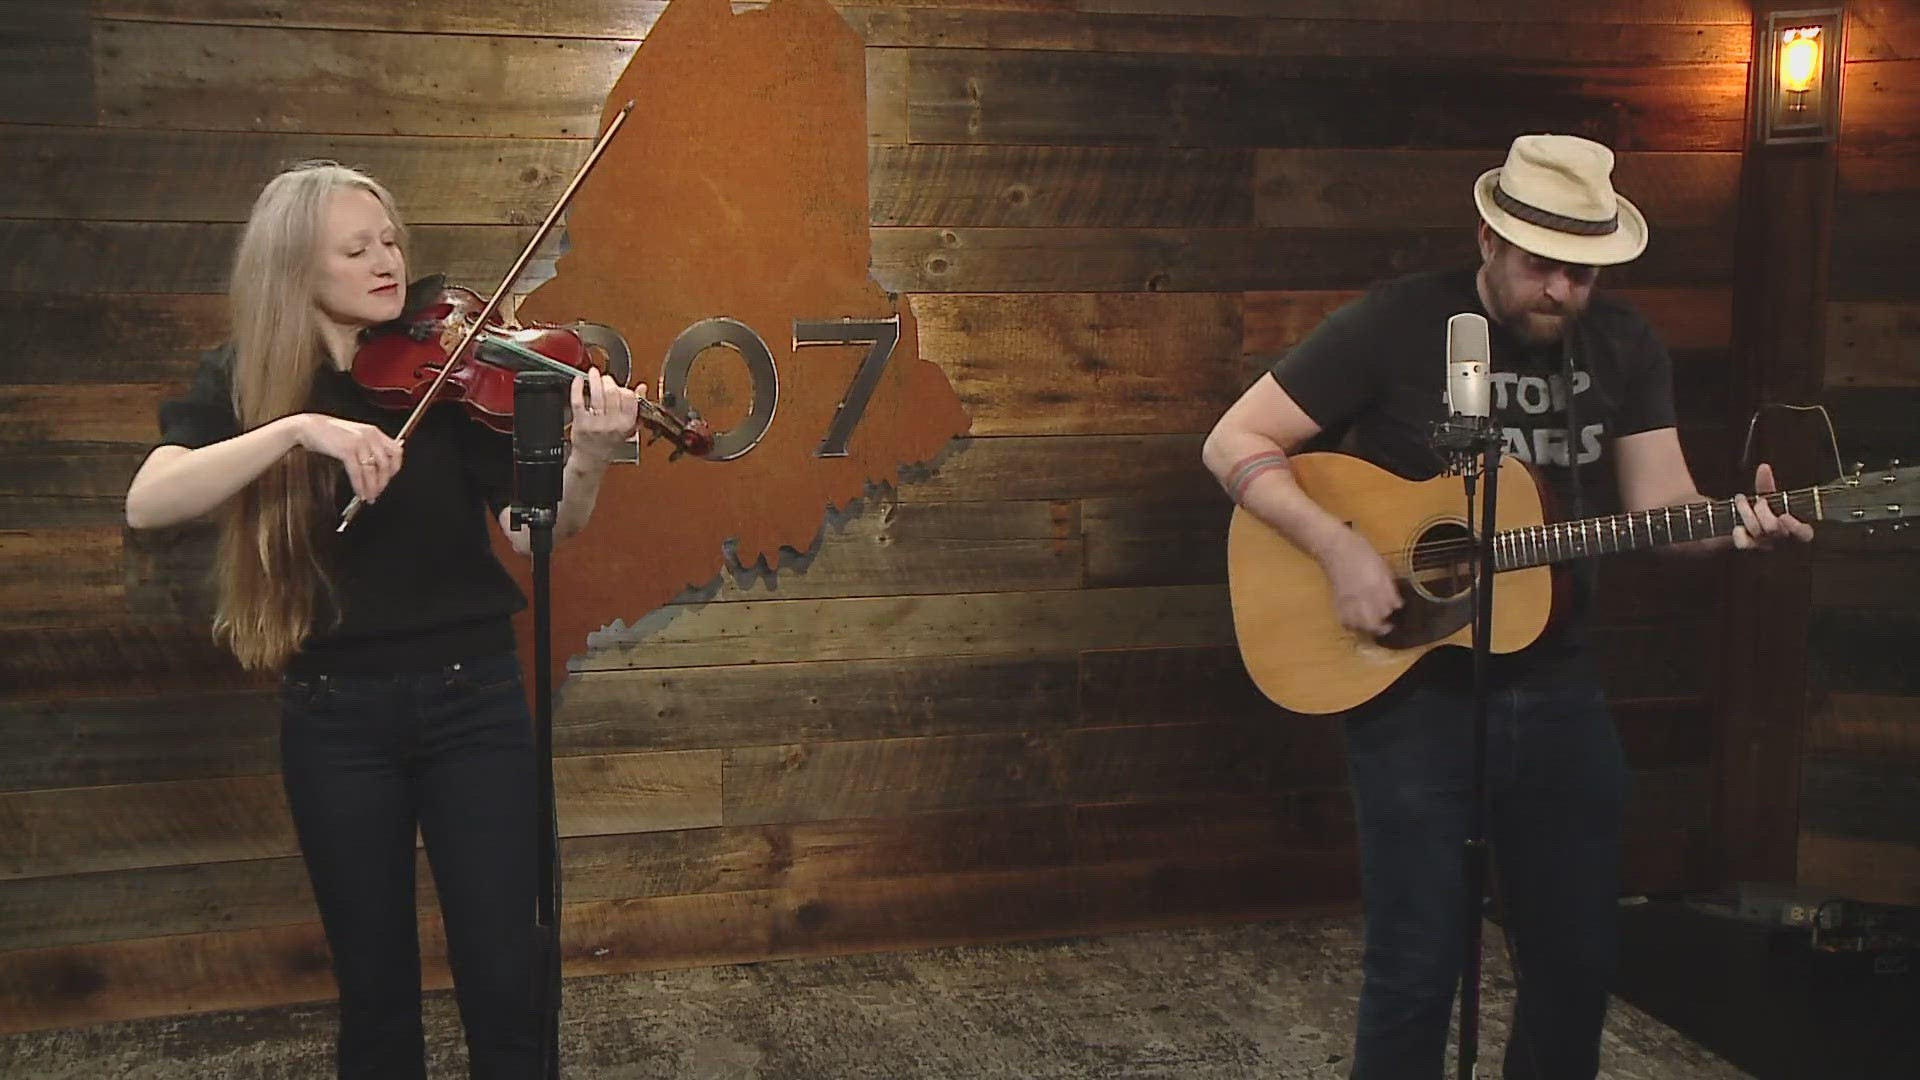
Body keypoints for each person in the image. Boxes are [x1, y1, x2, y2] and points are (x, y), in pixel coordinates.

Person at [1201, 133, 1813, 1079]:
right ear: (1488, 238)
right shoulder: (1396, 324)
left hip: (1560, 681)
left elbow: (1663, 512)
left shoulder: (1624, 345)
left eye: (1582, 272)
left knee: (1576, 963)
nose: (1561, 292)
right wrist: (1338, 547)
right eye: (1542, 266)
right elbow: (1235, 441)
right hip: (1416, 687)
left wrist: (1735, 526)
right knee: (1416, 968)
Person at [124, 161, 641, 1079]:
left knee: (505, 977)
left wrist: (590, 457)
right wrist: (296, 431)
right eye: (355, 248)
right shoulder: (244, 380)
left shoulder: (449, 371)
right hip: (334, 714)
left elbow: (535, 535)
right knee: (375, 995)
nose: (386, 261)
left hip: (472, 700)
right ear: (297, 270)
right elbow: (148, 501)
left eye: (392, 240)